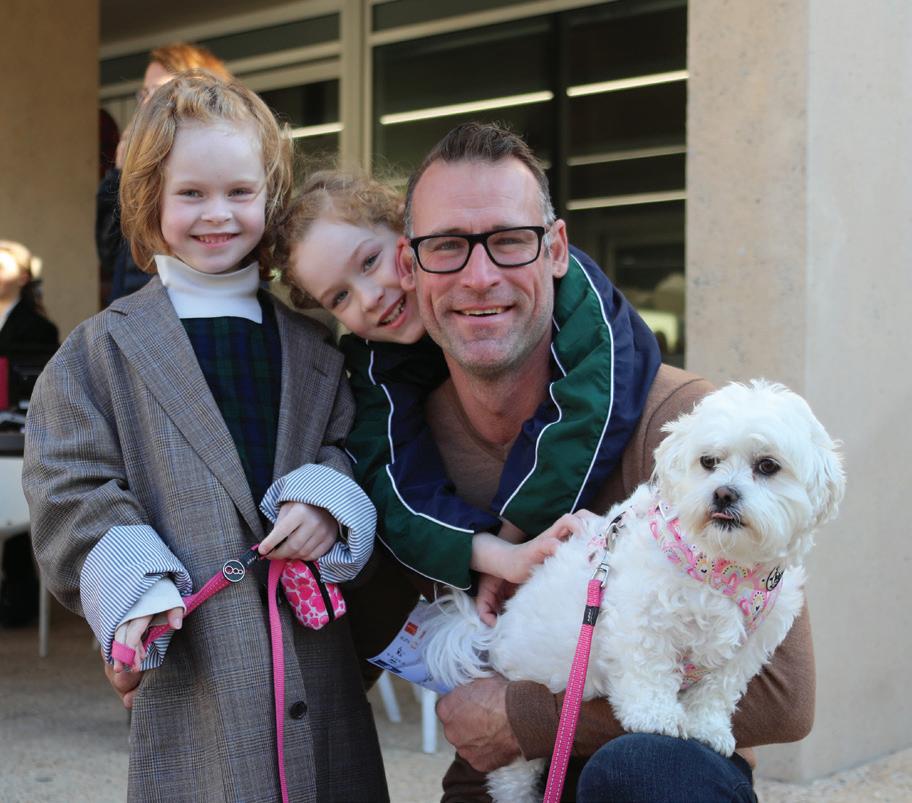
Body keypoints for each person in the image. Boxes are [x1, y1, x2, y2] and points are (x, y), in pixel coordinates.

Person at [371, 122, 813, 801]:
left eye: (509, 240)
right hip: (504, 770)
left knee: (637, 770)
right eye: (447, 245)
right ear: (409, 265)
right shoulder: (404, 453)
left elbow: (785, 698)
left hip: (662, 769)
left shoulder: (691, 426)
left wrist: (524, 718)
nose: (479, 276)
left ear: (556, 249)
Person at [23, 73, 387, 802]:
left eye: (239, 192)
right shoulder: (98, 351)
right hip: (192, 665)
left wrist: (328, 500)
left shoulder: (315, 344)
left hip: (317, 668)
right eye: (191, 193)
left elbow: (351, 445)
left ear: (269, 195)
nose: (217, 214)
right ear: (149, 199)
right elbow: (68, 485)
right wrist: (136, 585)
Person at [271, 171, 661, 623]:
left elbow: (593, 399)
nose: (370, 297)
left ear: (409, 235)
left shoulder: (546, 276)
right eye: (340, 297)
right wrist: (496, 557)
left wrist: (513, 532)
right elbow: (391, 483)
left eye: (370, 261)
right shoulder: (375, 360)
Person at [96, 43, 231, 303]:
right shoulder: (144, 162)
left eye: (159, 91)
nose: (147, 103)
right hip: (136, 310)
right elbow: (110, 253)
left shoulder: (224, 158)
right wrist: (121, 176)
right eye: (144, 93)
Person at [0, 240, 58, 628]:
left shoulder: (39, 326)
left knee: (15, 512)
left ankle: (19, 596)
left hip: (15, 431)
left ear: (23, 277)